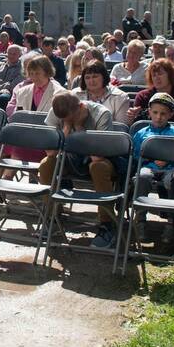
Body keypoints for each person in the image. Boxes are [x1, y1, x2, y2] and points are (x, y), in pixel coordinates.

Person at [39, 92, 118, 247]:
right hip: (70, 159)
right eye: (64, 120)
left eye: (71, 117)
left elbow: (98, 156)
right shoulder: (58, 113)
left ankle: (107, 224)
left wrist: (80, 127)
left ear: (81, 106)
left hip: (101, 161)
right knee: (46, 163)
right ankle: (52, 216)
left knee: (98, 167)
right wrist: (68, 127)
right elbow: (51, 152)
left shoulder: (102, 114)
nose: (66, 121)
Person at [130, 92, 174, 207]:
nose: (158, 117)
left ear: (171, 114)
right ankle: (140, 213)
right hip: (148, 167)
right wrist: (150, 161)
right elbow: (135, 155)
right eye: (155, 112)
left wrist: (168, 160)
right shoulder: (141, 133)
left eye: (163, 114)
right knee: (142, 177)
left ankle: (173, 214)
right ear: (149, 112)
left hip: (171, 168)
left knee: (173, 180)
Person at [127, 58, 174, 125]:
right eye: (154, 75)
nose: (157, 78)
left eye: (160, 74)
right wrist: (132, 117)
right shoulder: (142, 96)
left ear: (170, 75)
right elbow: (136, 126)